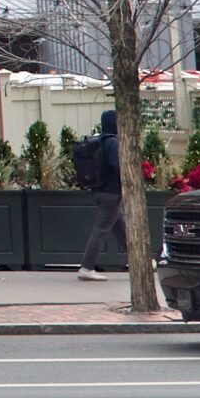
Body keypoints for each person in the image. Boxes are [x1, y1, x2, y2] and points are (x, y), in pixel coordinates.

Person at [78, 109, 124, 281]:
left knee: (121, 227)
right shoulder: (114, 142)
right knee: (101, 229)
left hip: (98, 189)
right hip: (112, 192)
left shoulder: (98, 140)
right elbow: (117, 165)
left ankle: (141, 262)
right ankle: (87, 267)